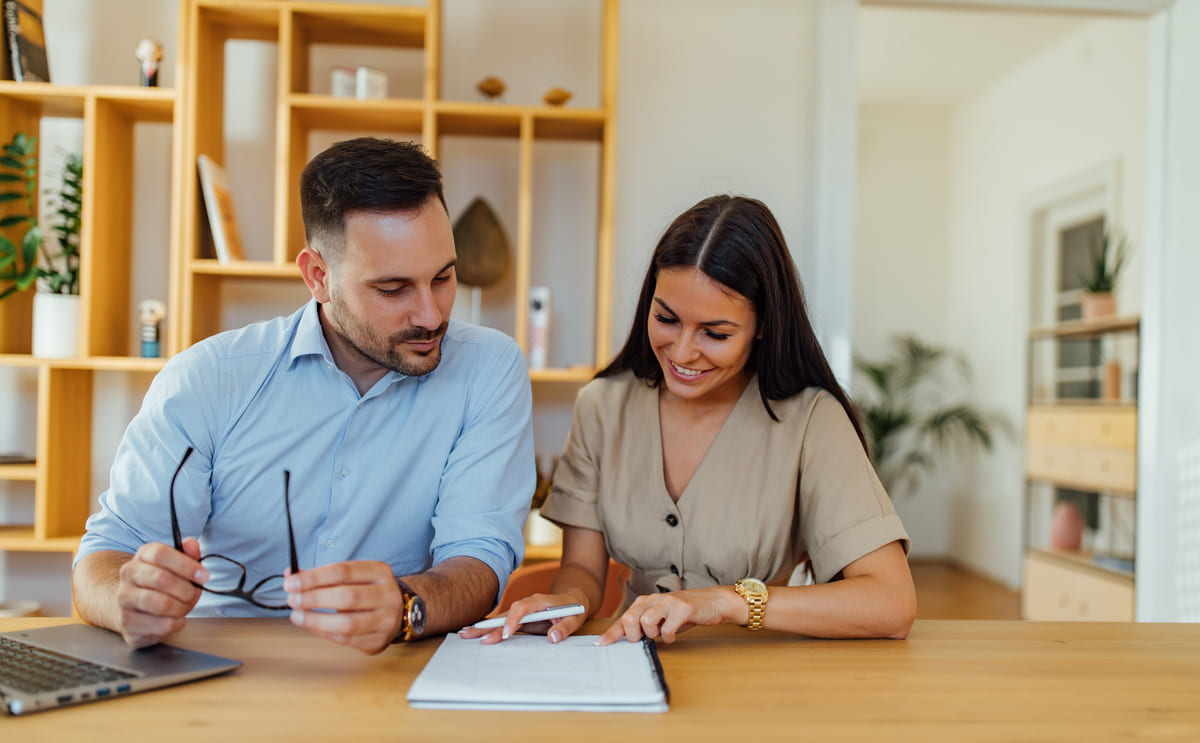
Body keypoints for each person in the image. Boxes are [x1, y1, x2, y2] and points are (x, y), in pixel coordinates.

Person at [73, 137, 534, 654]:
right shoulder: (209, 379)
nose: (431, 314)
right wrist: (127, 601)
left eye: (443, 277)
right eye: (393, 289)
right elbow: (106, 554)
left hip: (391, 673)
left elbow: (479, 557)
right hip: (223, 673)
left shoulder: (489, 369)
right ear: (319, 276)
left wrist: (407, 605)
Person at [463, 194, 915, 647]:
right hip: (627, 662)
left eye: (715, 334)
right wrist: (565, 604)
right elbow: (582, 570)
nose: (681, 353)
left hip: (757, 678)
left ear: (762, 325)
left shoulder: (813, 421)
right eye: (666, 319)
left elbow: (891, 603)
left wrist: (727, 601)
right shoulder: (602, 406)